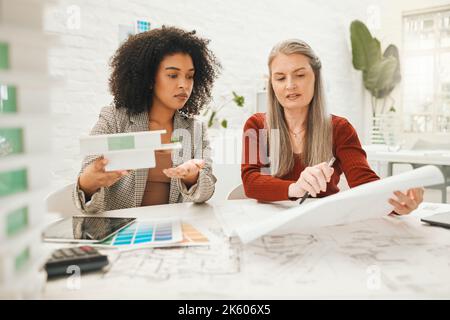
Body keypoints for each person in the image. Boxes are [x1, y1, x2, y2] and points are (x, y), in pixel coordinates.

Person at [241, 39, 423, 215]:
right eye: (280, 78)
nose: (290, 85)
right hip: (269, 225)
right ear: (272, 84)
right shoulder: (256, 125)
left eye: (300, 75)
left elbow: (365, 185)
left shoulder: (340, 129)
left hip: (323, 225)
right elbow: (251, 182)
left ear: (316, 78)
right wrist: (295, 188)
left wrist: (398, 202)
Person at [73, 26, 221, 214]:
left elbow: (206, 191)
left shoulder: (194, 129)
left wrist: (192, 177)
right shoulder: (115, 119)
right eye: (172, 75)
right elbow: (83, 193)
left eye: (190, 76)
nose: (184, 84)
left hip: (174, 229)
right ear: (150, 79)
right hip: (124, 233)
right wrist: (87, 183)